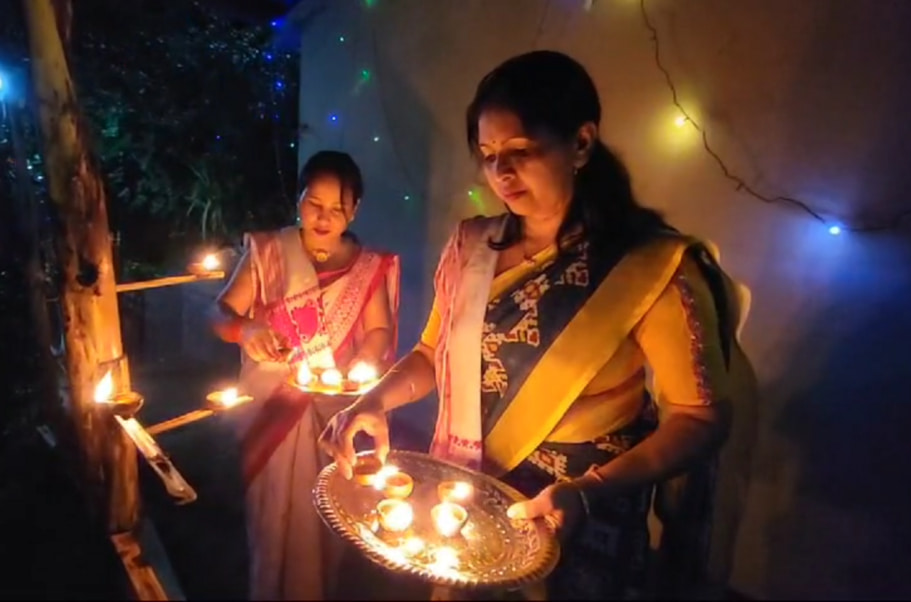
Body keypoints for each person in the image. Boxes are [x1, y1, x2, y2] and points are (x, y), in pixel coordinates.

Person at [320, 51, 758, 600]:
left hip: (579, 521)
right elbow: (430, 355)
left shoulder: (648, 266)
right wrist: (373, 402)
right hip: (468, 507)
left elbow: (700, 418)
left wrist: (590, 491)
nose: (501, 172)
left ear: (581, 142)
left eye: (522, 151)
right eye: (488, 155)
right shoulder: (471, 246)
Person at [213, 150, 401, 600]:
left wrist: (363, 365)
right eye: (314, 204)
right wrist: (245, 328)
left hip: (333, 411)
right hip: (271, 412)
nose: (324, 217)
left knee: (324, 519)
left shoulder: (365, 267)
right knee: (273, 517)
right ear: (298, 200)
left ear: (354, 210)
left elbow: (380, 330)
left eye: (338, 208)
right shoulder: (268, 253)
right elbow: (218, 312)